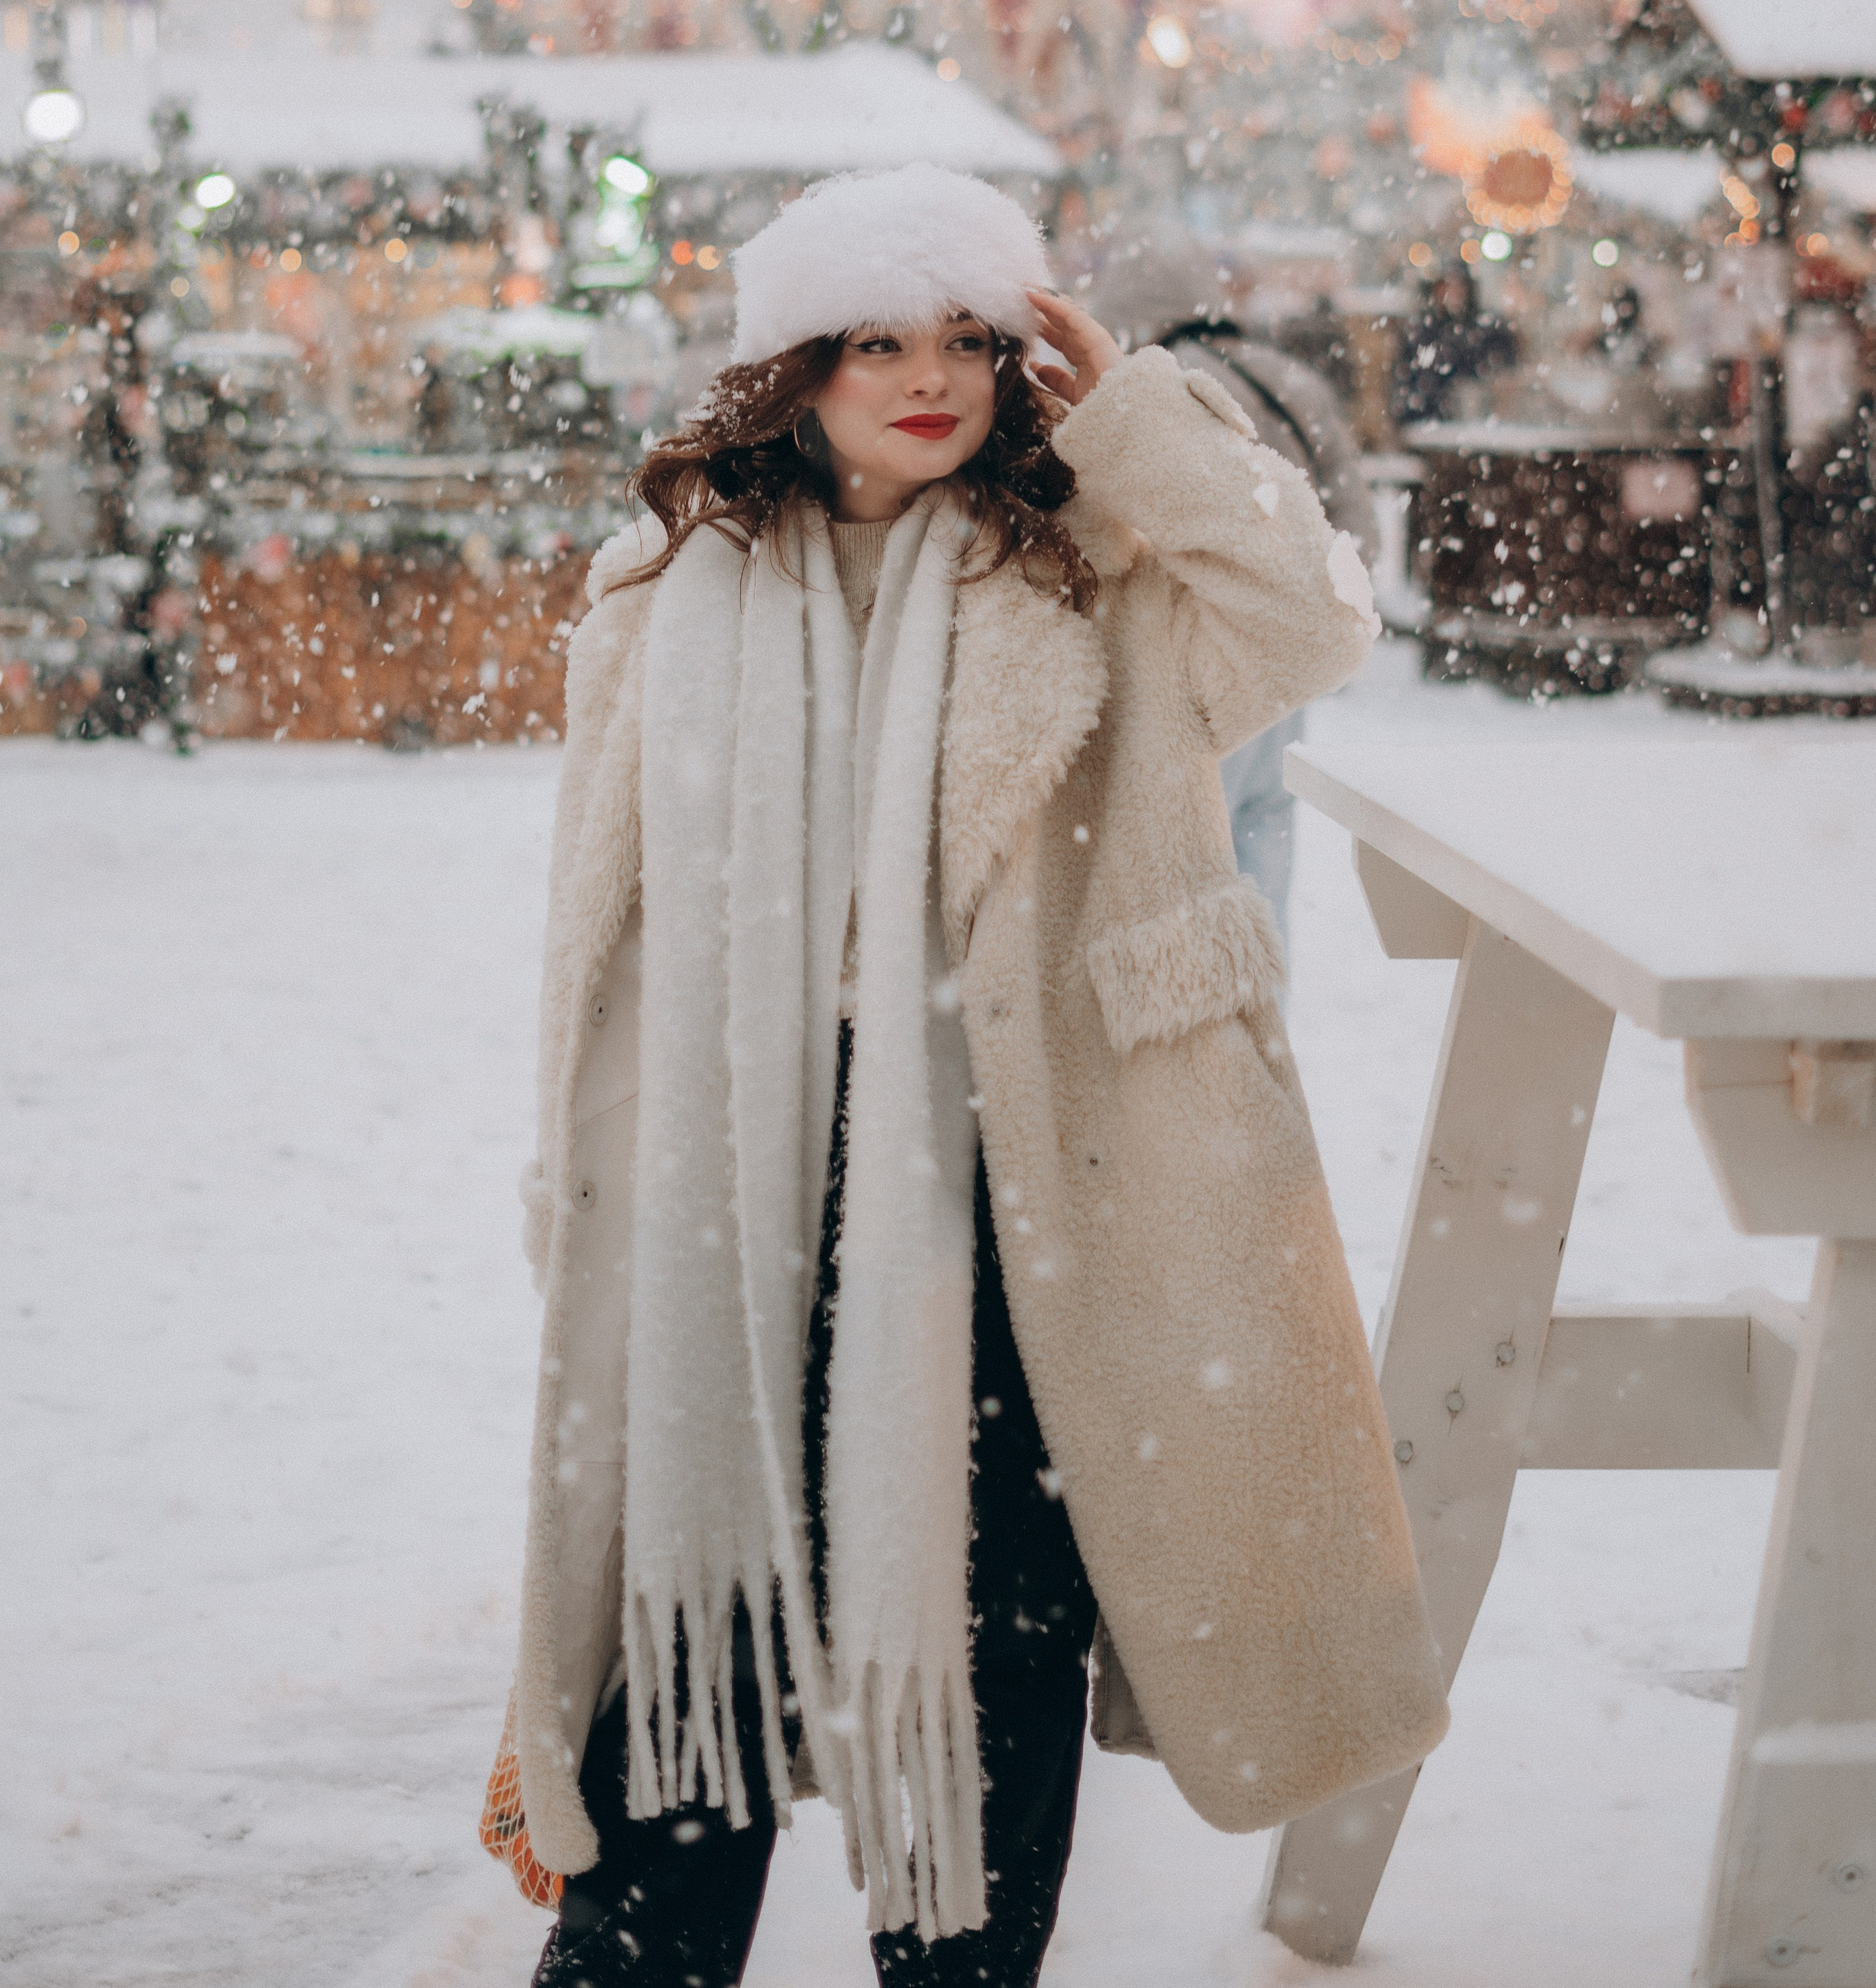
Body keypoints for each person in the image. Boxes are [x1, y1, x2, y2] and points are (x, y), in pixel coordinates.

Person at [483, 165, 1447, 1988]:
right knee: (695, 1631)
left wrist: (1135, 410)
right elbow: (593, 926)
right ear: (796, 365)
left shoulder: (1090, 568)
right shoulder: (665, 588)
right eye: (874, 340)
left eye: (966, 340)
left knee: (994, 1623)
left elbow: (1310, 620)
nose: (925, 378)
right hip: (733, 1186)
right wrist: (576, 1169)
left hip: (1016, 1183)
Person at [1092, 239, 1378, 940]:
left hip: (1197, 660)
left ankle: (1208, 1032)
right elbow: (1355, 516)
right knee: (1263, 856)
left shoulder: (1153, 384)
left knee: (1188, 872)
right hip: (1290, 652)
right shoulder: (1292, 378)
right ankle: (1263, 1026)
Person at [1391, 259, 1516, 430]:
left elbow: (1501, 373)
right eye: (1446, 287)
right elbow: (1413, 380)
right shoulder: (1423, 333)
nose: (1452, 293)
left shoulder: (1487, 331)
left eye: (1458, 286)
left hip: (1476, 425)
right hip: (1431, 424)